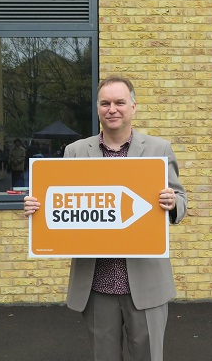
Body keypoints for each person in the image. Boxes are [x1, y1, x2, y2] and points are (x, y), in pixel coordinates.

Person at [23, 75, 188, 361]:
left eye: (120, 102)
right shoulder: (75, 152)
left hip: (145, 283)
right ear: (98, 109)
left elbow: (181, 201)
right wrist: (39, 207)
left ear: (133, 107)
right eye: (105, 103)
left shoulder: (158, 149)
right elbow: (63, 203)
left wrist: (172, 203)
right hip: (97, 284)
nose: (112, 109)